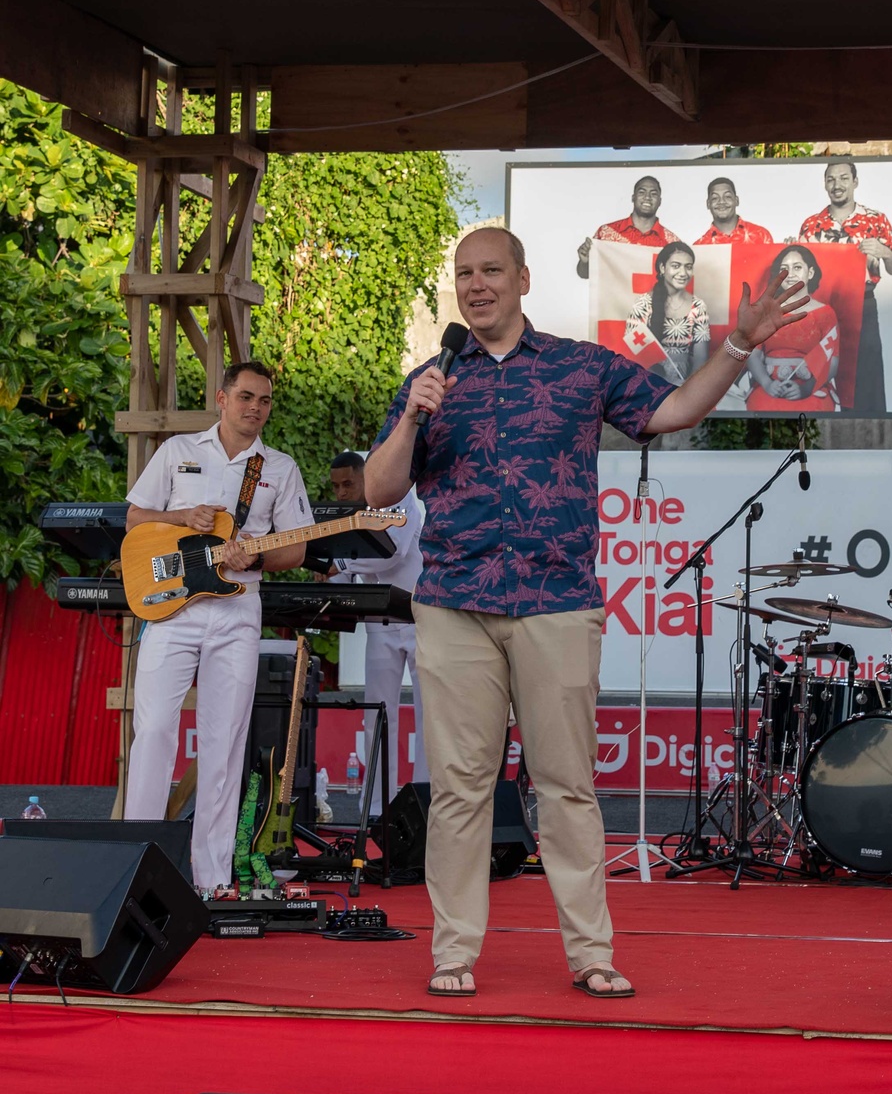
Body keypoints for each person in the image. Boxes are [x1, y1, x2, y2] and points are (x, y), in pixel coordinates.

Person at [364, 225, 803, 999]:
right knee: (461, 787)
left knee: (566, 784)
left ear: (523, 279)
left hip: (556, 603)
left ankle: (591, 952)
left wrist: (736, 344)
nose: (477, 285)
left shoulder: (579, 368)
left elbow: (673, 412)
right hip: (454, 604)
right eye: (464, 273)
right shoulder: (431, 378)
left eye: (491, 270)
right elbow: (378, 492)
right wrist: (411, 418)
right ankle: (453, 953)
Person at [123, 361, 310, 894]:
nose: (256, 407)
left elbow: (294, 547)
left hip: (236, 611)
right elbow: (136, 519)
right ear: (222, 398)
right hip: (172, 609)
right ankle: (138, 867)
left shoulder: (280, 466)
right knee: (155, 730)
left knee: (223, 743)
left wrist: (255, 560)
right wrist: (186, 520)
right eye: (247, 396)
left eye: (265, 400)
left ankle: (209, 879)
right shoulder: (178, 451)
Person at [325, 450, 427, 814]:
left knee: (428, 717)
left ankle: (425, 808)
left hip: (421, 621)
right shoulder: (346, 515)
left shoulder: (401, 496)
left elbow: (392, 554)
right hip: (379, 625)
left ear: (367, 477)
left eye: (348, 484)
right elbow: (344, 564)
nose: (341, 493)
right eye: (336, 486)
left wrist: (337, 562)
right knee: (377, 716)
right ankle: (378, 810)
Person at [798, 160, 892, 414]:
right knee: (816, 368)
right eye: (831, 179)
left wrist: (885, 252)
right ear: (825, 184)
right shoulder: (811, 225)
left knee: (865, 375)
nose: (838, 185)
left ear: (855, 182)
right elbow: (801, 274)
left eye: (844, 178)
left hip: (861, 303)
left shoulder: (875, 220)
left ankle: (870, 437)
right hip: (820, 306)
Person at [745, 246, 840, 411]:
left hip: (811, 386)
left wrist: (805, 389)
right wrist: (768, 384)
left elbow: (832, 361)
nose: (790, 274)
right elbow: (753, 356)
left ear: (810, 273)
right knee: (761, 407)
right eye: (784, 269)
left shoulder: (826, 313)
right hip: (771, 385)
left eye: (797, 267)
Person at [626, 240, 710, 387]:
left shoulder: (698, 306)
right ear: (663, 268)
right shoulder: (643, 304)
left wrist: (687, 389)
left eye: (688, 267)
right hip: (648, 380)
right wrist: (666, 384)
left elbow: (700, 360)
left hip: (686, 382)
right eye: (676, 266)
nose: (683, 273)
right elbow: (637, 356)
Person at [576, 175, 679, 279]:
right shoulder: (606, 233)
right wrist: (585, 262)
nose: (647, 197)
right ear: (633, 198)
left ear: (660, 201)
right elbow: (585, 274)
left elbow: (679, 282)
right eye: (642, 192)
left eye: (653, 194)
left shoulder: (673, 244)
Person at [694, 176, 774, 246]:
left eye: (727, 196)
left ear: (736, 201)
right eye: (715, 198)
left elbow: (774, 263)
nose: (721, 202)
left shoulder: (761, 235)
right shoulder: (699, 247)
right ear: (708, 204)